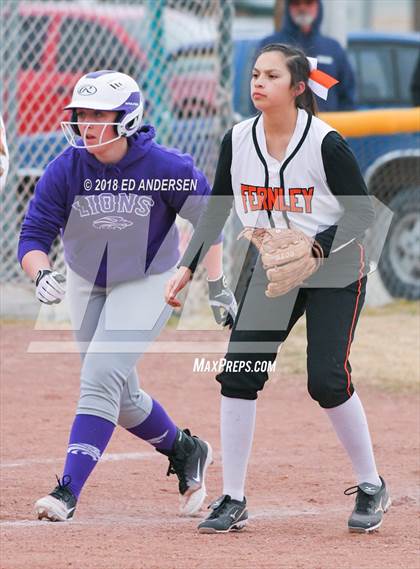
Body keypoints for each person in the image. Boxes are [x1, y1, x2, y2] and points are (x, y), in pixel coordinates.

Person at [166, 44, 391, 534]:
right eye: (255, 73)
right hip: (271, 265)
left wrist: (316, 248)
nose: (259, 82)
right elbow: (219, 208)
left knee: (327, 381)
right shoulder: (238, 138)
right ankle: (233, 496)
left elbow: (363, 214)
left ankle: (371, 483)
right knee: (239, 375)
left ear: (297, 88)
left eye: (272, 75)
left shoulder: (325, 143)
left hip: (334, 266)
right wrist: (187, 266)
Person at [18, 70, 237, 522]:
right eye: (81, 114)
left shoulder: (165, 167)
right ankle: (185, 449)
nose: (87, 124)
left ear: (128, 119)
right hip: (85, 279)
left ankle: (66, 491)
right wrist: (40, 274)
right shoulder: (66, 168)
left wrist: (215, 285)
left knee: (99, 373)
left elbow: (209, 221)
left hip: (147, 279)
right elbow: (33, 236)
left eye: (100, 114)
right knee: (117, 395)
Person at [258, 0, 355, 112]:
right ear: (288, 8)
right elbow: (259, 89)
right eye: (296, 4)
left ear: (318, 7)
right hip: (283, 126)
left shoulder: (333, 48)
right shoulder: (271, 45)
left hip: (326, 124)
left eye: (308, 3)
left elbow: (347, 96)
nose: (302, 8)